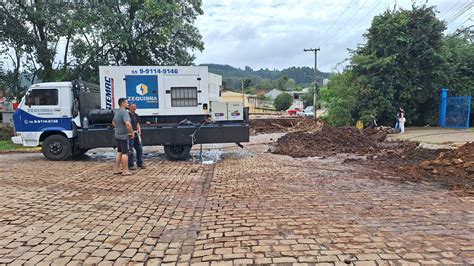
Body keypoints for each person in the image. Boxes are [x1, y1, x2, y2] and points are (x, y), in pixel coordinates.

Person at [112, 98, 134, 176]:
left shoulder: (117, 111)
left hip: (117, 134)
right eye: (127, 103)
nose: (128, 104)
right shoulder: (124, 112)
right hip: (124, 136)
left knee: (119, 151)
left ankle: (117, 169)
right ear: (123, 103)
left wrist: (118, 128)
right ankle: (125, 170)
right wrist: (131, 132)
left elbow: (113, 122)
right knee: (125, 153)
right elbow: (127, 123)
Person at [128, 103, 146, 170]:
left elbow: (138, 123)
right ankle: (130, 164)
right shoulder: (127, 115)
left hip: (136, 134)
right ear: (129, 107)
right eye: (132, 106)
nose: (133, 108)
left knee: (139, 148)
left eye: (134, 107)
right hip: (130, 134)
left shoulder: (136, 115)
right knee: (130, 150)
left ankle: (140, 163)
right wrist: (130, 131)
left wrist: (139, 130)